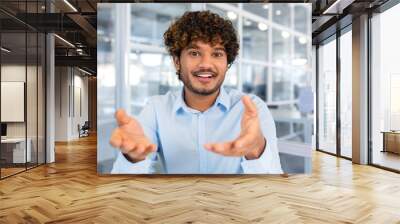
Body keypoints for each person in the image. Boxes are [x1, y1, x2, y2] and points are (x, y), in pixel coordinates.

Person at [110, 10, 283, 174]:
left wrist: (256, 149)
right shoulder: (156, 108)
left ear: (227, 63)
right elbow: (123, 182)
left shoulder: (252, 109)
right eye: (194, 53)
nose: (206, 64)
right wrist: (133, 157)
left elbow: (274, 183)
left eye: (217, 54)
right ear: (177, 61)